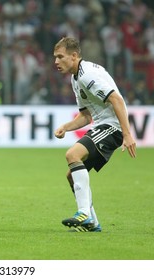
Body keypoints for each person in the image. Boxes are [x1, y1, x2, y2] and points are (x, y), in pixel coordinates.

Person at [53, 37, 137, 232]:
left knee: (72, 155)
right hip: (102, 125)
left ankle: (83, 213)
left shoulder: (86, 75)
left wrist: (127, 134)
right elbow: (86, 116)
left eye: (60, 57)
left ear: (74, 56)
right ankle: (92, 222)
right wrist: (66, 127)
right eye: (55, 57)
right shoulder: (76, 78)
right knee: (72, 176)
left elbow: (116, 99)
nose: (56, 62)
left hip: (113, 126)